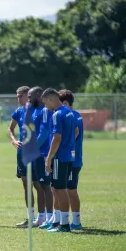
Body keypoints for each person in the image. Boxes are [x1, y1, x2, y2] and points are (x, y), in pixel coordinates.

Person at [42, 88, 76, 233]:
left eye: (45, 103)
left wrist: (48, 158)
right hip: (69, 156)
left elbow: (56, 139)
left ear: (50, 99)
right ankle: (59, 222)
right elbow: (75, 132)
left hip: (59, 157)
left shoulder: (57, 114)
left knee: (60, 190)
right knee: (59, 189)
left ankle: (64, 224)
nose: (46, 107)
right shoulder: (69, 112)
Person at [8, 86, 37, 228]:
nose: (18, 99)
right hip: (22, 153)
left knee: (39, 185)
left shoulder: (36, 111)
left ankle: (45, 217)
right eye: (17, 96)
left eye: (21, 96)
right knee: (26, 185)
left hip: (36, 153)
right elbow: (10, 128)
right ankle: (30, 217)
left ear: (28, 96)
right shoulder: (18, 112)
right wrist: (13, 140)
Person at [59, 89, 83, 230]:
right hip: (74, 159)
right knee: (68, 189)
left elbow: (75, 133)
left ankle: (76, 222)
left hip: (71, 160)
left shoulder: (71, 116)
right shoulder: (77, 115)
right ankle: (74, 221)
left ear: (66, 103)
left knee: (71, 190)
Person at [28, 87, 52, 228]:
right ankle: (41, 217)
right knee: (38, 186)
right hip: (35, 154)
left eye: (30, 96)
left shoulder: (44, 110)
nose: (28, 98)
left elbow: (44, 132)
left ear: (38, 95)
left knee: (46, 186)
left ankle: (50, 218)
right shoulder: (34, 110)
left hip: (43, 154)